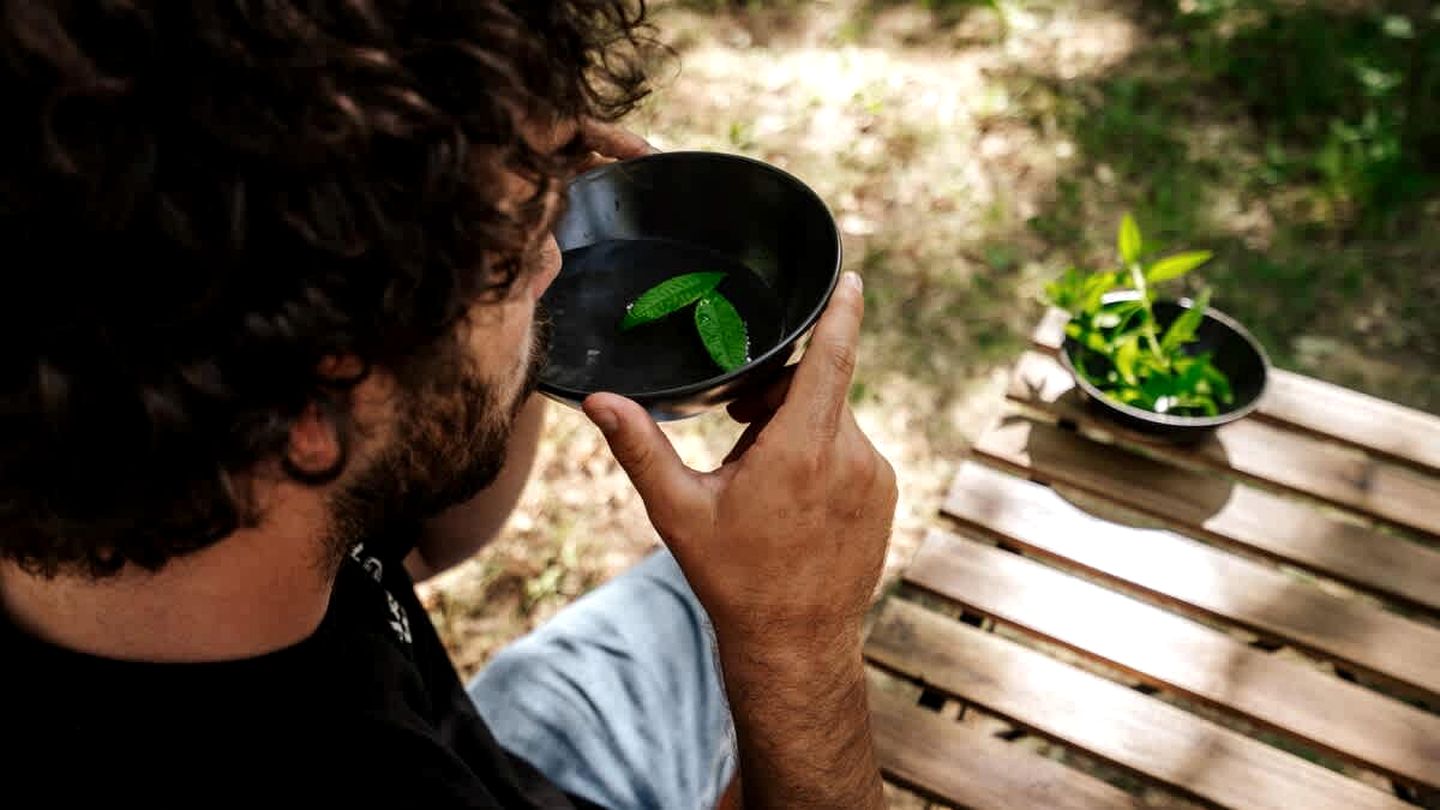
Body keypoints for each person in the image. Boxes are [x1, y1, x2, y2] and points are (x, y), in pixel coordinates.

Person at [0, 2, 897, 808]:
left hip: (493, 751)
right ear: (316, 403)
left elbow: (425, 541)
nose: (552, 260)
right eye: (512, 258)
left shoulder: (162, 444)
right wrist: (796, 645)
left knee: (693, 600)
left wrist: (501, 189)